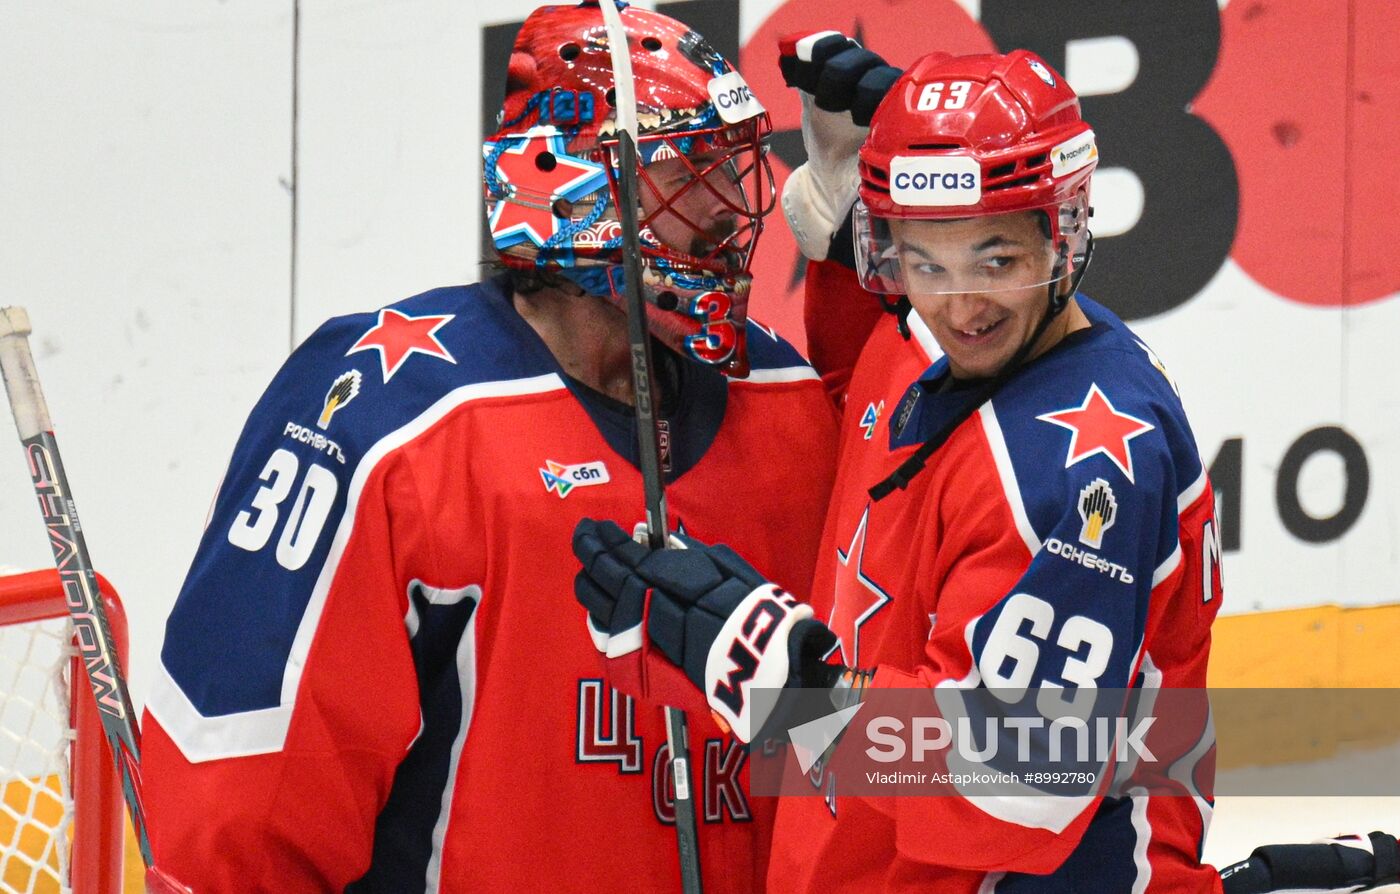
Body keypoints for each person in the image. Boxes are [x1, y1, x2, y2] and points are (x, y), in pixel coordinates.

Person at [139, 3, 838, 891]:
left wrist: (804, 700)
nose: (724, 206)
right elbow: (247, 784)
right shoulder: (393, 417)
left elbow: (977, 776)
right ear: (562, 184)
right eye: (679, 169)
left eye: (726, 165)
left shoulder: (792, 404)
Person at [573, 40, 1230, 892]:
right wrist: (850, 254)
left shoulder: (1073, 472)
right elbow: (874, 406)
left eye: (997, 259)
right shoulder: (963, 352)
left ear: (1064, 236)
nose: (960, 307)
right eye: (922, 262)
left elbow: (1021, 781)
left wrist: (782, 680)